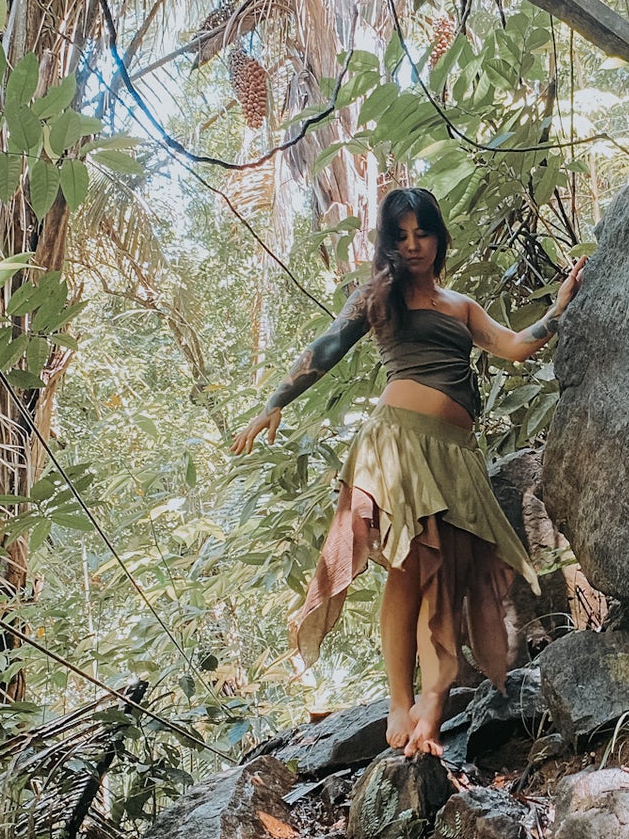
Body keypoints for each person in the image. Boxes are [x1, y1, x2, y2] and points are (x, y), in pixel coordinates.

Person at [231, 187, 585, 758]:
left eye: (423, 232)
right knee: (411, 568)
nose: (414, 244)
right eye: (401, 234)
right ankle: (406, 704)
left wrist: (559, 306)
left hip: (451, 457)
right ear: (388, 242)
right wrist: (275, 401)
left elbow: (514, 347)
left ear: (440, 239)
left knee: (440, 576)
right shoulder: (375, 298)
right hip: (395, 446)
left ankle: (430, 707)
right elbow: (325, 348)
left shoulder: (460, 306)